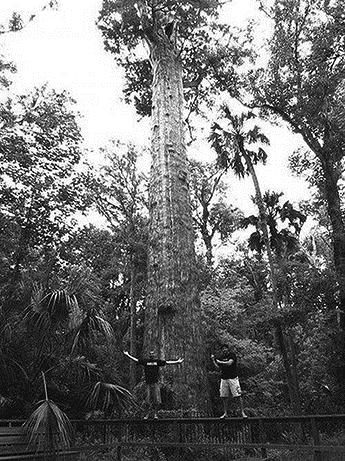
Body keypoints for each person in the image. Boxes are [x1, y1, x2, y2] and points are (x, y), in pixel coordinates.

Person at [123, 350, 184, 418]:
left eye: (153, 354)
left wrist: (177, 362)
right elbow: (136, 360)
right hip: (148, 383)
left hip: (155, 383)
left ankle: (155, 415)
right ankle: (147, 415)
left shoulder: (157, 362)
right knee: (147, 401)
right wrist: (128, 355)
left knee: (157, 401)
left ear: (154, 355)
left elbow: (167, 362)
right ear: (149, 355)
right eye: (150, 354)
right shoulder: (146, 361)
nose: (152, 355)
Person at [211, 345, 247, 418]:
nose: (224, 350)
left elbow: (229, 363)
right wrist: (213, 360)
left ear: (228, 349)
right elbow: (218, 368)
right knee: (224, 396)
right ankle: (225, 413)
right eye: (223, 349)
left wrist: (220, 362)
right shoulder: (221, 357)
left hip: (233, 378)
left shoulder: (232, 355)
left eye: (225, 348)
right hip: (224, 379)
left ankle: (242, 412)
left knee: (237, 395)